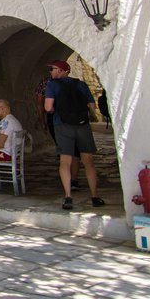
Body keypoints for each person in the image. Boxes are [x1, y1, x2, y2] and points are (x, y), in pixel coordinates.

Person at [44, 60, 105, 210]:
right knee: (88, 161)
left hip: (63, 125)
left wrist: (55, 111)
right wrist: (84, 114)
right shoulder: (81, 84)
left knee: (65, 161)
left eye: (52, 69)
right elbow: (92, 105)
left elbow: (48, 107)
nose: (51, 72)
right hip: (82, 125)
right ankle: (95, 196)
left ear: (60, 70)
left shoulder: (52, 85)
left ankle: (68, 197)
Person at [36, 70, 80, 189]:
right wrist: (42, 121)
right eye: (50, 69)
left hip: (68, 118)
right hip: (57, 118)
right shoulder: (45, 82)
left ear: (64, 71)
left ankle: (73, 180)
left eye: (53, 68)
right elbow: (40, 104)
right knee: (66, 149)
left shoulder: (71, 83)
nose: (51, 71)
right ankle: (70, 180)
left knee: (71, 149)